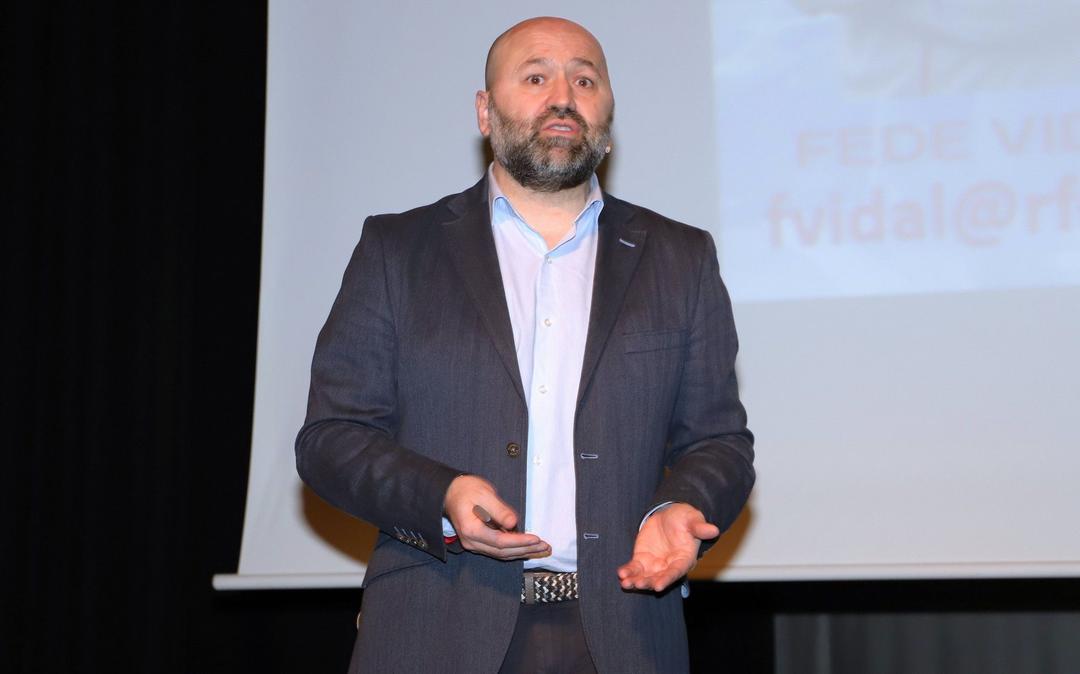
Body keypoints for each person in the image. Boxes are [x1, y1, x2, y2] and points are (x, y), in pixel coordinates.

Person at [296, 16, 755, 673]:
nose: (563, 96)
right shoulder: (398, 251)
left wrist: (680, 505)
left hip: (624, 634)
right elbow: (331, 438)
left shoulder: (679, 258)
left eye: (584, 81)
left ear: (608, 112)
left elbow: (719, 441)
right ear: (485, 111)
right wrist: (441, 495)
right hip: (434, 631)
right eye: (536, 78)